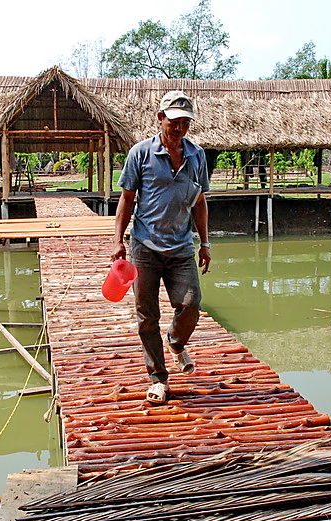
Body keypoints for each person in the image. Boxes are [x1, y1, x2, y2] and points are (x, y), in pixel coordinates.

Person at [111, 90, 211, 404]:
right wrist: (118, 241)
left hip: (181, 246)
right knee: (147, 316)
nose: (179, 127)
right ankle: (158, 379)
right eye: (174, 120)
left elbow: (200, 202)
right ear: (160, 118)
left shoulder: (197, 156)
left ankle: (176, 341)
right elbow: (127, 200)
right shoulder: (140, 154)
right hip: (144, 247)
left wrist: (205, 243)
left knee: (191, 303)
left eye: (185, 122)